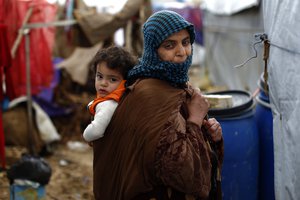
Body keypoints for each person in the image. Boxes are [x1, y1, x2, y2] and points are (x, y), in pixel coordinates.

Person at [92, 10, 224, 200]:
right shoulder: (151, 95)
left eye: (186, 42)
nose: (182, 52)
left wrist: (210, 136)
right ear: (154, 50)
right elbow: (181, 172)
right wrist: (195, 121)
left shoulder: (175, 86)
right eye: (170, 45)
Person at [83, 45, 136, 145]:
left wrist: (86, 135)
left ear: (124, 82)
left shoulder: (109, 104)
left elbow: (96, 131)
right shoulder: (118, 99)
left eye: (112, 79)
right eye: (100, 76)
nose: (103, 83)